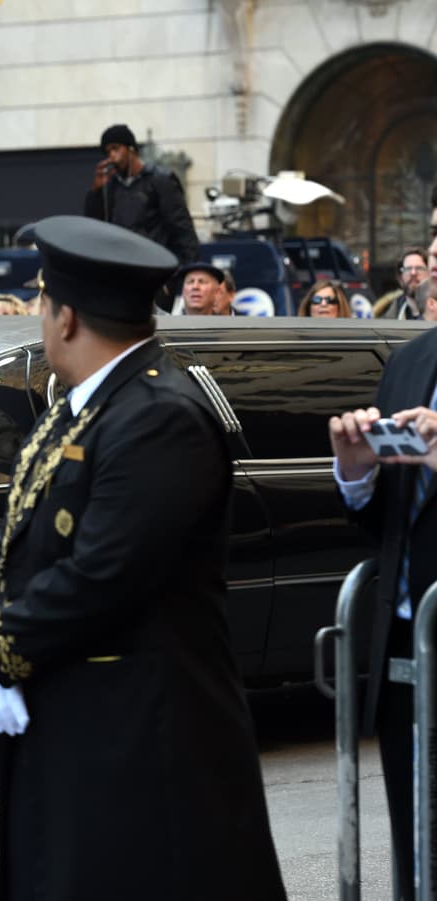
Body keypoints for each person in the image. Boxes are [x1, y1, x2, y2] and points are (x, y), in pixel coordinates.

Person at [0, 215, 285, 900]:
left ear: (66, 316)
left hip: (140, 734)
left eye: (44, 303)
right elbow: (15, 531)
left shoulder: (158, 413)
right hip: (73, 715)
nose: (42, 318)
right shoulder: (77, 406)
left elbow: (108, 572)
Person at [330, 325, 437, 901]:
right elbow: (389, 524)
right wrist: (356, 471)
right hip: (407, 651)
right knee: (418, 849)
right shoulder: (412, 359)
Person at [84, 123, 199, 264]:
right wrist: (96, 191)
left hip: (156, 264)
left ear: (131, 149)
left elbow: (182, 227)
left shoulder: (159, 180)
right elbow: (94, 226)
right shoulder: (111, 186)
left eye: (116, 149)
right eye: (108, 152)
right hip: (122, 264)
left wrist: (191, 268)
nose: (112, 156)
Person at [374, 248, 429, 320]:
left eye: (419, 268)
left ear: (430, 274)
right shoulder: (389, 317)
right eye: (408, 269)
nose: (413, 273)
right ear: (400, 278)